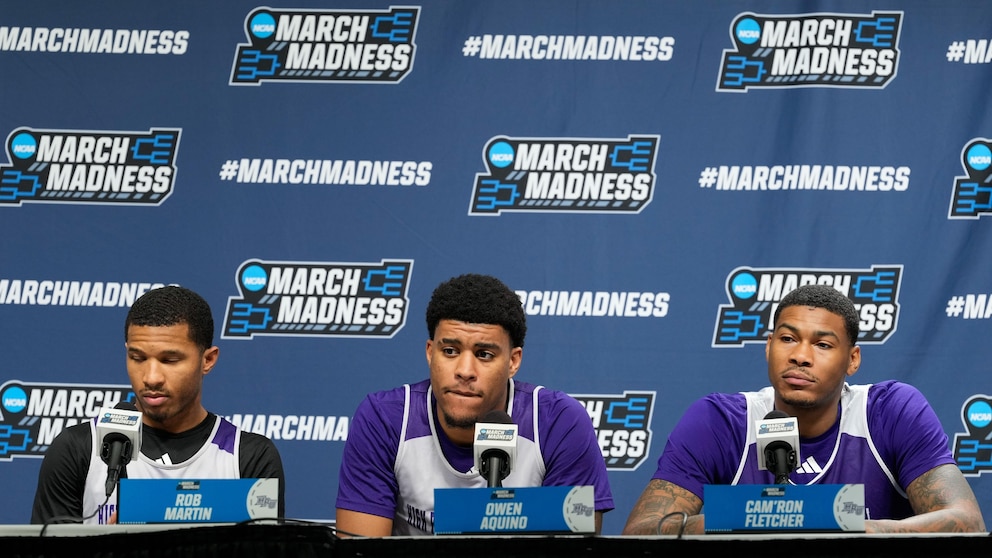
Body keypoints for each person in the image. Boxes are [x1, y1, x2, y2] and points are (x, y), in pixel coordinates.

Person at [622, 284, 985, 535]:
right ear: (769, 346)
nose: (800, 356)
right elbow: (641, 531)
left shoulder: (890, 411)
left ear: (853, 359)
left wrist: (851, 528)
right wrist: (747, 517)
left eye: (823, 344)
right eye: (787, 338)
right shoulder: (720, 421)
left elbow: (966, 522)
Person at [335, 273, 614, 536]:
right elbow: (360, 554)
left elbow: (571, 550)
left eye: (484, 354)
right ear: (430, 353)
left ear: (513, 361)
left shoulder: (559, 423)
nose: (465, 371)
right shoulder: (384, 419)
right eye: (450, 351)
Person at [31, 285, 285, 525]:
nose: (151, 378)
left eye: (170, 360)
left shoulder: (248, 456)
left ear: (207, 360)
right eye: (137, 358)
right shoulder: (78, 449)